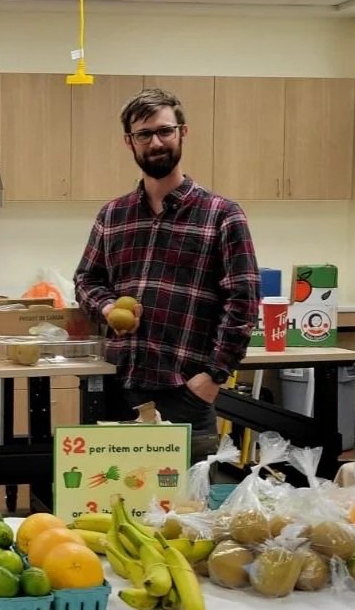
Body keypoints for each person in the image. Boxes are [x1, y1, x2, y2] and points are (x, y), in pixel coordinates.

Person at [74, 88, 260, 463]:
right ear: (130, 143)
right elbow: (86, 280)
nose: (156, 142)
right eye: (144, 134)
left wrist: (213, 377)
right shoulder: (113, 216)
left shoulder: (222, 214)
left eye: (164, 131)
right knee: (111, 500)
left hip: (185, 390)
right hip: (118, 385)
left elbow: (243, 302)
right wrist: (108, 308)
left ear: (182, 133)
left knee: (188, 512)